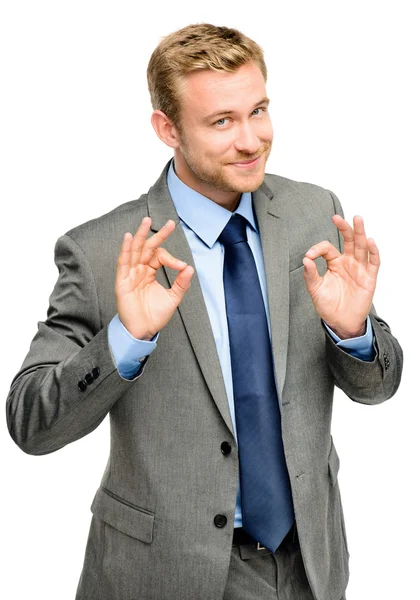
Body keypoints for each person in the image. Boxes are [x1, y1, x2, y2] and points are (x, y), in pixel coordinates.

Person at [6, 23, 403, 600]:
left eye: (259, 110)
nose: (252, 140)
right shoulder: (102, 251)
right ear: (167, 129)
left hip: (309, 568)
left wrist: (353, 333)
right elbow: (30, 425)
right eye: (222, 122)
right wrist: (126, 338)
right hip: (162, 575)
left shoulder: (315, 214)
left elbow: (377, 388)